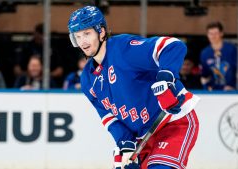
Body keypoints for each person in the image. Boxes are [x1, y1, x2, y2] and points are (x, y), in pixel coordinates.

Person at [68, 6, 200, 169]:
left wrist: (166, 79)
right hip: (141, 140)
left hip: (172, 123)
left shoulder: (123, 49)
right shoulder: (87, 80)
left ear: (101, 32)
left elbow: (172, 46)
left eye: (87, 34)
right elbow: (109, 118)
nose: (83, 42)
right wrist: (125, 143)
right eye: (78, 36)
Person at [200, 21, 237, 91]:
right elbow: (204, 76)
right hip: (214, 92)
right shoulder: (205, 53)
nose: (213, 36)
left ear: (221, 33)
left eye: (216, 33)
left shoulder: (232, 49)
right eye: (210, 34)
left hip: (232, 91)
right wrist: (206, 90)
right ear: (207, 35)